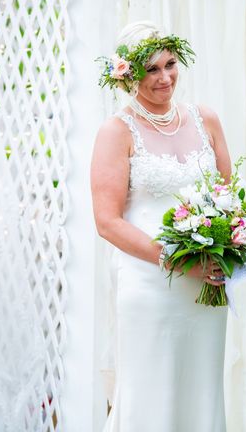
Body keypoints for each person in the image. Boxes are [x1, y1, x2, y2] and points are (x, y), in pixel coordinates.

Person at [91, 21, 232, 431]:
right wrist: (176, 261)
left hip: (207, 283)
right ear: (128, 74)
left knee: (201, 388)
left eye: (170, 64)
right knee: (151, 391)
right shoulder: (116, 131)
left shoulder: (206, 119)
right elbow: (107, 221)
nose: (165, 77)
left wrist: (227, 248)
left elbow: (229, 197)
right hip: (150, 283)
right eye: (151, 69)